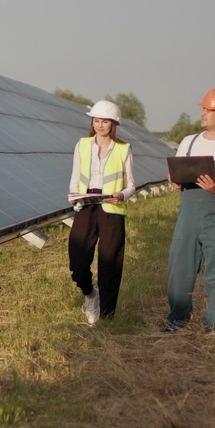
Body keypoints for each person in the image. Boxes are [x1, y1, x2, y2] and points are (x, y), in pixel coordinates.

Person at [164, 88, 215, 333]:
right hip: (188, 214)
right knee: (179, 269)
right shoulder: (189, 141)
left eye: (209, 109)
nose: (203, 113)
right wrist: (173, 179)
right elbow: (175, 172)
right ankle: (177, 318)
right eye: (203, 109)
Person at [68, 100, 136, 325]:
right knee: (78, 263)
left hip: (112, 208)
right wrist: (74, 197)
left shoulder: (124, 149)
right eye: (96, 120)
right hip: (86, 205)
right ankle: (90, 295)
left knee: (110, 263)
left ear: (113, 124)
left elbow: (131, 185)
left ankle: (107, 317)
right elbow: (76, 175)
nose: (99, 125)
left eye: (104, 121)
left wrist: (121, 196)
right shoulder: (82, 145)